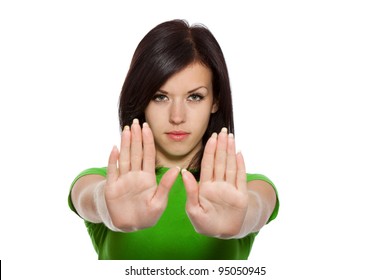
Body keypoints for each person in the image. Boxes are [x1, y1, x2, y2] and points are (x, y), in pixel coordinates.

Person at [68, 19, 279, 260]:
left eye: (195, 97)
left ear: (216, 101)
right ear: (141, 100)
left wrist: (241, 219)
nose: (177, 117)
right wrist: (107, 207)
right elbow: (89, 198)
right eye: (160, 97)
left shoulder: (245, 188)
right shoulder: (105, 182)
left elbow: (258, 206)